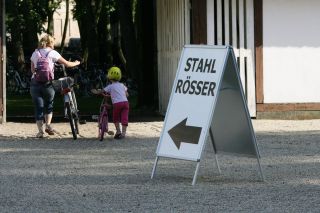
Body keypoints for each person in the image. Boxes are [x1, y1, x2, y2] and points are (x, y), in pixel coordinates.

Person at [30, 34, 80, 138]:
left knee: (38, 107)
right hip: (48, 84)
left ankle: (40, 132)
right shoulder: (52, 53)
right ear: (51, 43)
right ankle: (48, 125)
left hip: (35, 84)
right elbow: (66, 64)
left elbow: (32, 70)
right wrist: (76, 63)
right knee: (49, 105)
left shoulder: (35, 53)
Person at [92, 66, 129, 139]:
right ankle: (123, 133)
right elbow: (127, 94)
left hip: (117, 104)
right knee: (124, 117)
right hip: (125, 103)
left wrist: (96, 91)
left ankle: (118, 131)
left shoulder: (110, 86)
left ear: (109, 76)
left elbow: (102, 91)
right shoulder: (122, 85)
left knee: (116, 117)